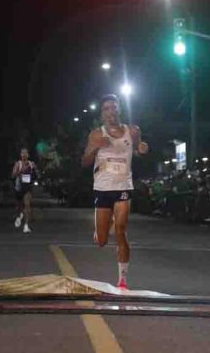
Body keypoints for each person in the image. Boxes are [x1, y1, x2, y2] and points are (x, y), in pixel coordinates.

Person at [81, 94, 148, 289]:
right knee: (102, 241)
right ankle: (102, 227)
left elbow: (137, 150)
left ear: (119, 109)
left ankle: (122, 280)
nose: (111, 111)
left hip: (123, 186)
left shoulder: (133, 131)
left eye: (114, 107)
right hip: (102, 188)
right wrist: (95, 149)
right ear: (102, 114)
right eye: (107, 109)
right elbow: (84, 162)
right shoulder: (96, 134)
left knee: (120, 230)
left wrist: (142, 150)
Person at [12, 148, 37, 233]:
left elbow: (36, 174)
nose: (24, 154)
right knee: (19, 207)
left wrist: (34, 170)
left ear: (28, 155)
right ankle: (19, 216)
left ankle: (26, 226)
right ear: (20, 155)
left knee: (27, 205)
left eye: (26, 153)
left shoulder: (31, 163)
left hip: (28, 187)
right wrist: (21, 171)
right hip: (19, 187)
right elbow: (13, 174)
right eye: (22, 153)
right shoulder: (18, 163)